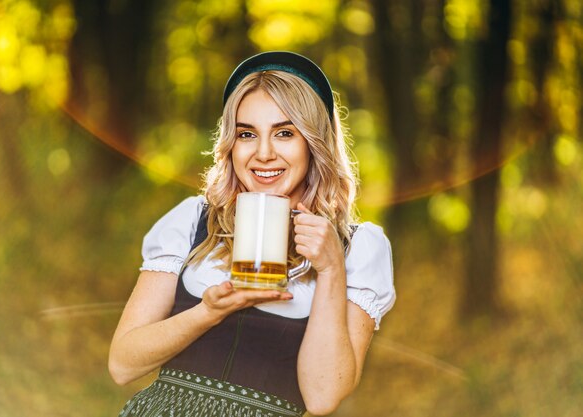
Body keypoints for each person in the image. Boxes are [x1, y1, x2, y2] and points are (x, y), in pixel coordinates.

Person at [109, 51, 396, 417]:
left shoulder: (358, 250)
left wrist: (331, 269)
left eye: (285, 133)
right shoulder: (191, 223)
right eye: (247, 134)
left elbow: (322, 397)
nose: (263, 153)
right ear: (231, 144)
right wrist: (207, 313)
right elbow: (122, 365)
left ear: (314, 144)